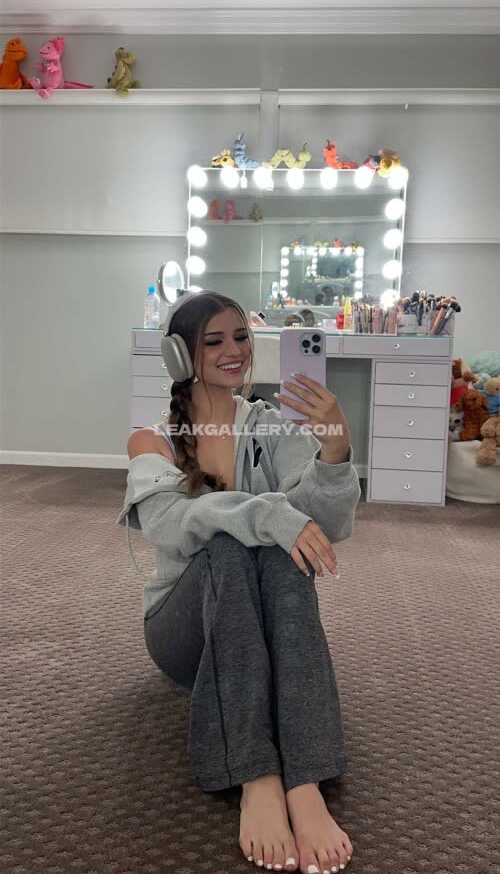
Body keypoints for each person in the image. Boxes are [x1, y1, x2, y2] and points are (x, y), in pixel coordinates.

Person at [117, 290, 360, 874]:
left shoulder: (272, 427)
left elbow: (320, 526)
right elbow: (170, 524)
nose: (234, 351)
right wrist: (265, 514)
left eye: (241, 337)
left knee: (282, 550)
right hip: (184, 633)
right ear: (181, 355)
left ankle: (303, 782)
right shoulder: (151, 440)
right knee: (228, 543)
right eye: (214, 341)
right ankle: (257, 777)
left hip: (262, 625)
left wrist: (334, 453)